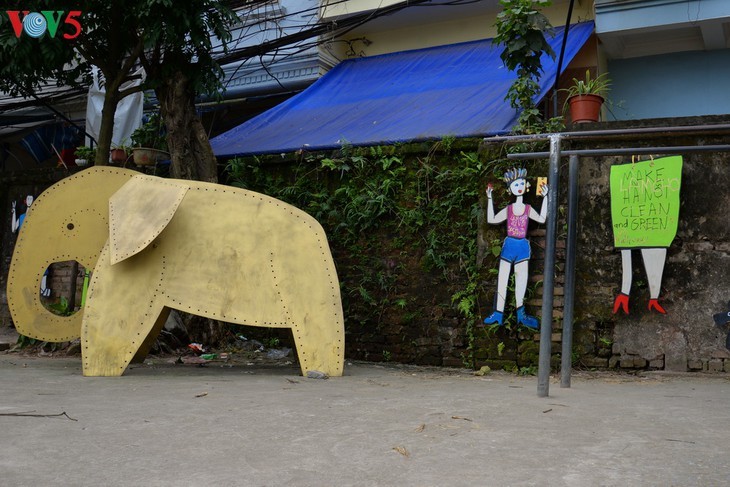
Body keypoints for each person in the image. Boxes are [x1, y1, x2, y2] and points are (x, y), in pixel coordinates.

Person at [482, 167, 548, 329]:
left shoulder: (527, 208)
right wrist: (490, 199)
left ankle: (521, 315)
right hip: (509, 245)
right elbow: (492, 219)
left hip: (522, 247)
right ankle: (498, 313)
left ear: (525, 186)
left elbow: (541, 217)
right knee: (502, 280)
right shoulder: (509, 209)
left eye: (521, 183)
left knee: (521, 281)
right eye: (515, 184)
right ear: (510, 188)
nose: (518, 186)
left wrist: (545, 198)